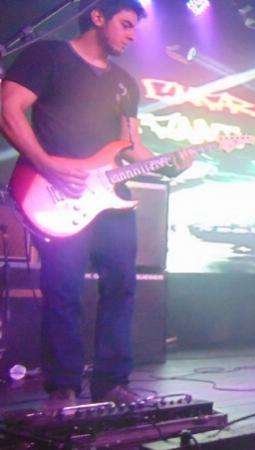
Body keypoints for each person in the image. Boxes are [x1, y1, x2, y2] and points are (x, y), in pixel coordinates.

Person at [0, 0, 193, 408]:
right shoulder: (48, 56)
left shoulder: (125, 83)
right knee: (63, 289)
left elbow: (133, 148)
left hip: (111, 199)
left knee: (122, 287)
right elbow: (8, 107)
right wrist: (46, 164)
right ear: (97, 16)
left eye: (135, 28)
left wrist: (172, 163)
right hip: (58, 193)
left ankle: (112, 383)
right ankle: (63, 387)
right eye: (126, 24)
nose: (133, 35)